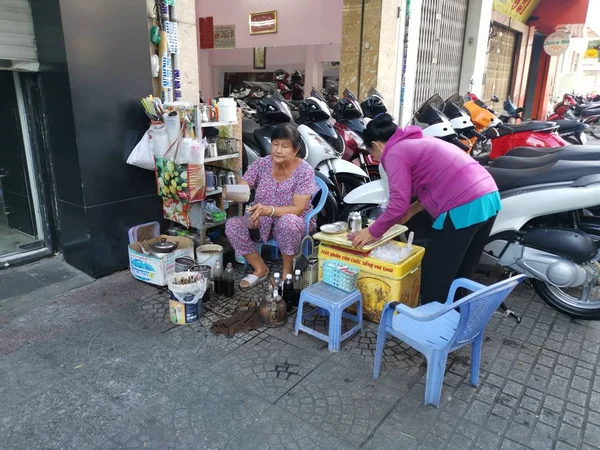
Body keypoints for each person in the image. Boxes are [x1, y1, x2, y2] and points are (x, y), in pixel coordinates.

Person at [351, 114, 501, 304]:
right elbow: (435, 183)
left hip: (463, 205)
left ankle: (434, 325)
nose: (375, 158)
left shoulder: (395, 153)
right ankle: (455, 323)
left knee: (435, 276)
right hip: (488, 196)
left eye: (372, 153)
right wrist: (412, 211)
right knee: (461, 273)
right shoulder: (418, 141)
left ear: (377, 144)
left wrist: (371, 232)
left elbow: (398, 203)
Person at [225, 124, 318, 289]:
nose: (278, 150)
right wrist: (235, 193)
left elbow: (298, 208)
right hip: (262, 218)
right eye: (275, 144)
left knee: (287, 222)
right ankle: (260, 268)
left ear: (295, 150)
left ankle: (287, 274)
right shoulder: (262, 164)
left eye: (285, 146)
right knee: (232, 225)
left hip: (294, 220)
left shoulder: (304, 171)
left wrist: (271, 210)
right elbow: (244, 187)